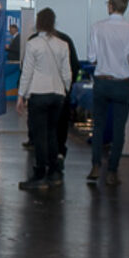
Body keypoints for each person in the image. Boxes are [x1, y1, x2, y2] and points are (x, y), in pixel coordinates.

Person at [87, 0, 129, 185]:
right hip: (122, 85)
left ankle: (95, 165)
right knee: (119, 130)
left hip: (102, 82)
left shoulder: (97, 28)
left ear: (110, 6)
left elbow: (92, 58)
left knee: (98, 125)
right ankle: (112, 171)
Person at [17, 8, 72, 189]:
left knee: (40, 136)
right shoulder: (63, 44)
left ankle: (40, 174)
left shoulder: (33, 44)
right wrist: (65, 89)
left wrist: (21, 96)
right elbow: (67, 73)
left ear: (38, 23)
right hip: (58, 95)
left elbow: (27, 72)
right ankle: (54, 172)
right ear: (53, 23)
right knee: (52, 134)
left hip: (39, 94)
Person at [51, 20, 81, 160]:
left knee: (43, 125)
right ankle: (59, 152)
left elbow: (27, 68)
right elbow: (74, 65)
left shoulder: (34, 41)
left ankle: (44, 159)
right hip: (61, 90)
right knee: (61, 123)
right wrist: (68, 86)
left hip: (40, 92)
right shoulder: (65, 40)